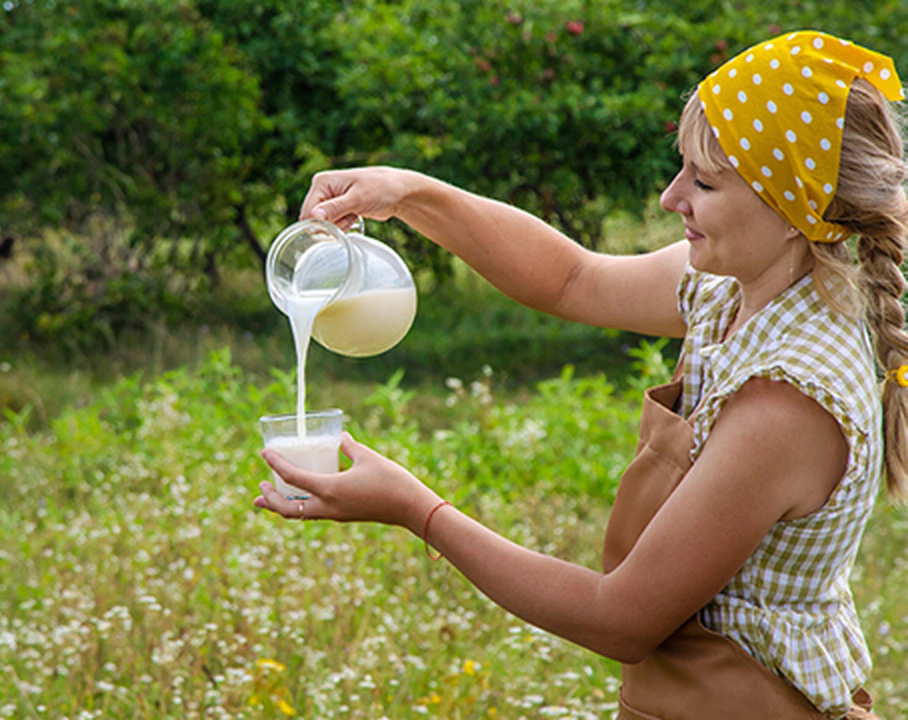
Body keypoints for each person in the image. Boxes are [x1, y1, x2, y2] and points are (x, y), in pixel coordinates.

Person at [254, 30, 907, 719]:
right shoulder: (740, 287)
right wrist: (409, 194)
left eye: (703, 182)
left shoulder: (790, 396)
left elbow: (621, 618)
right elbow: (572, 279)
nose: (668, 197)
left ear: (791, 207)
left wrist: (418, 510)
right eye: (680, 167)